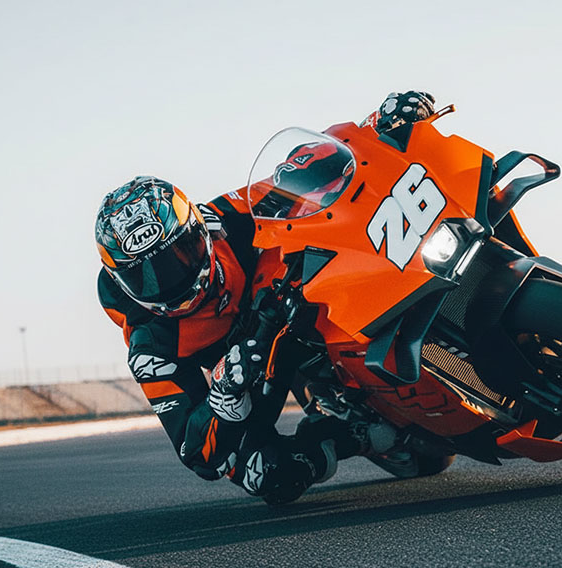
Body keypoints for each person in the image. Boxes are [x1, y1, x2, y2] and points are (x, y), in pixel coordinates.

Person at [94, 91, 436, 503]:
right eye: (145, 277)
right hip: (248, 373)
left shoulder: (229, 215)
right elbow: (197, 455)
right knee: (268, 477)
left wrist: (379, 124)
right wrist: (224, 392)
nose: (170, 281)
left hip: (294, 309)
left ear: (199, 230)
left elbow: (310, 166)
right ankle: (353, 437)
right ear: (121, 281)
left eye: (178, 256)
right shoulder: (151, 344)